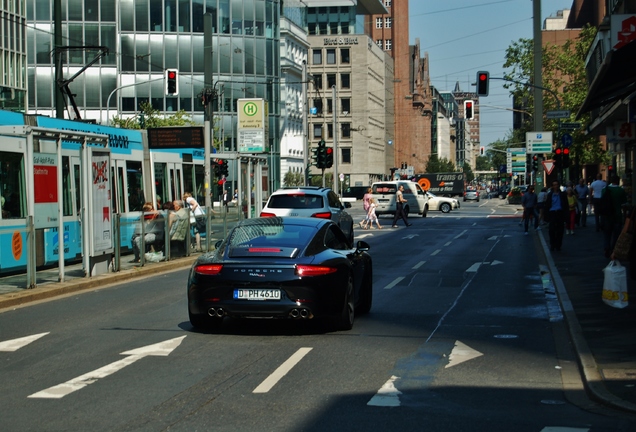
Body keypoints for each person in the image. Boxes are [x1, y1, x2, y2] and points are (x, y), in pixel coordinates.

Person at [602, 175, 628, 258]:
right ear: (618, 181)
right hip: (617, 215)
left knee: (607, 234)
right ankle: (613, 250)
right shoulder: (621, 191)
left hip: (607, 215)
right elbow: (624, 204)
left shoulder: (604, 190)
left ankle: (606, 247)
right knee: (616, 235)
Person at [544, 180, 568, 252]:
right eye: (554, 185)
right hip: (552, 213)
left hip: (560, 213)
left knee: (560, 231)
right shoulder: (550, 195)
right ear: (552, 186)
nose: (556, 186)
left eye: (557, 185)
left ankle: (558, 245)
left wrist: (566, 216)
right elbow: (547, 205)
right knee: (552, 230)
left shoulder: (562, 194)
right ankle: (552, 244)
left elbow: (566, 205)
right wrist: (546, 217)